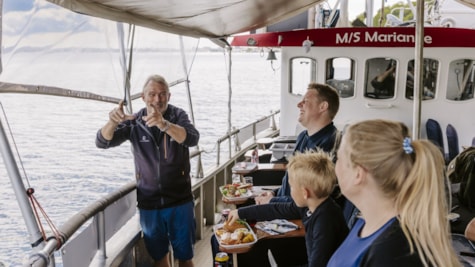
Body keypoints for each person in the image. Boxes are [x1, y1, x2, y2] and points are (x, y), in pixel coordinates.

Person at [95, 74, 200, 267]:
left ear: (169, 96)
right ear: (143, 97)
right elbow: (102, 142)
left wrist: (164, 124)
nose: (157, 99)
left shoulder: (178, 116)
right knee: (159, 258)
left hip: (180, 202)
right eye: (152, 94)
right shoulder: (134, 121)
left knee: (185, 258)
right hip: (149, 205)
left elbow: (192, 138)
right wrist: (112, 122)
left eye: (162, 94)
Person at [327, 119, 461, 267]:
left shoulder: (395, 252)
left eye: (338, 158)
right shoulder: (365, 223)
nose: (335, 167)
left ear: (358, 173)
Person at [227, 150, 349, 267]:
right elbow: (275, 209)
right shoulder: (311, 205)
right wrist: (240, 212)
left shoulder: (325, 221)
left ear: (305, 193)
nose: (290, 192)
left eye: (291, 187)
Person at [255, 82, 340, 205]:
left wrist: (272, 201)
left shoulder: (328, 145)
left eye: (305, 101)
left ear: (323, 107)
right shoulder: (303, 137)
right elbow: (293, 184)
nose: (299, 104)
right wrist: (274, 193)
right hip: (284, 204)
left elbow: (308, 200)